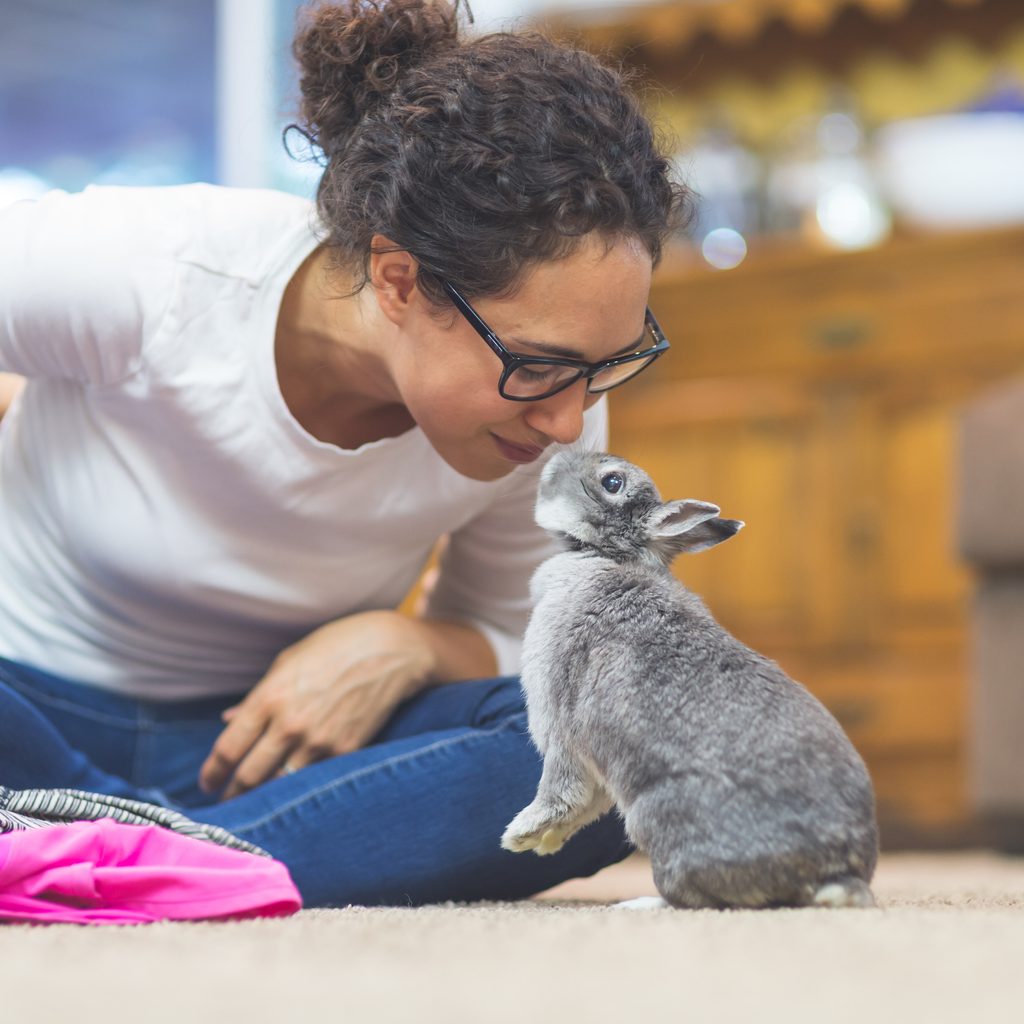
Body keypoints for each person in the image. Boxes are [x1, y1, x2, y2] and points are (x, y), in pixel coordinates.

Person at [0, 0, 691, 907]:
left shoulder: (549, 410)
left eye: (606, 369)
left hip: (272, 753)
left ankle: (87, 852)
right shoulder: (156, 272)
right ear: (400, 279)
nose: (568, 421)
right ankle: (182, 863)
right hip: (25, 708)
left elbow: (525, 642)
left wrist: (405, 642)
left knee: (616, 735)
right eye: (541, 366)